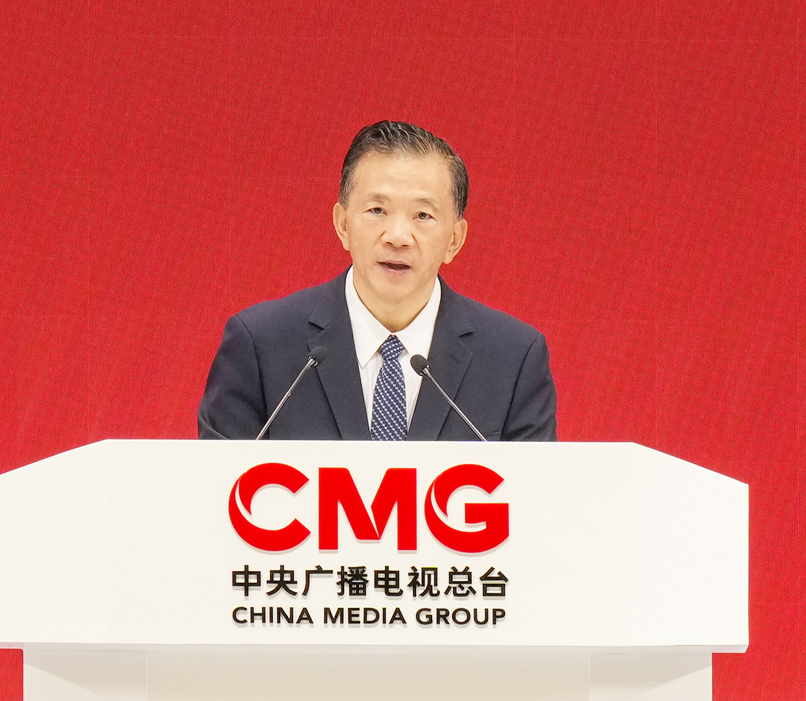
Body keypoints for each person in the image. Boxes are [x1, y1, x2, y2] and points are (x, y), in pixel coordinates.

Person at [198, 121, 557, 441]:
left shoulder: (513, 359)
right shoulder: (260, 345)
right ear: (343, 225)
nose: (397, 236)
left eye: (423, 215)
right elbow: (216, 486)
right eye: (377, 210)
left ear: (454, 240)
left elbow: (538, 492)